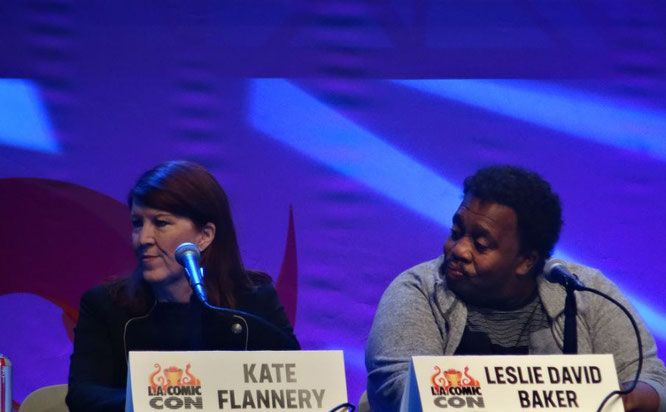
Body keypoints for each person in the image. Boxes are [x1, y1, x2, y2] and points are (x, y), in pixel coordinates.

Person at [365, 165, 666, 412]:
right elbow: (398, 390)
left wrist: (625, 401)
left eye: (481, 244)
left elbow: (652, 379)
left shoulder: (582, 289)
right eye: (456, 232)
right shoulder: (419, 290)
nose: (458, 249)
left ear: (526, 261)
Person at [66, 160, 300, 412]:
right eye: (137, 223)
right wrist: (162, 402)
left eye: (161, 223)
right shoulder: (105, 305)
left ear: (205, 236)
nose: (143, 238)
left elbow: (297, 383)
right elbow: (83, 395)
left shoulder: (254, 300)